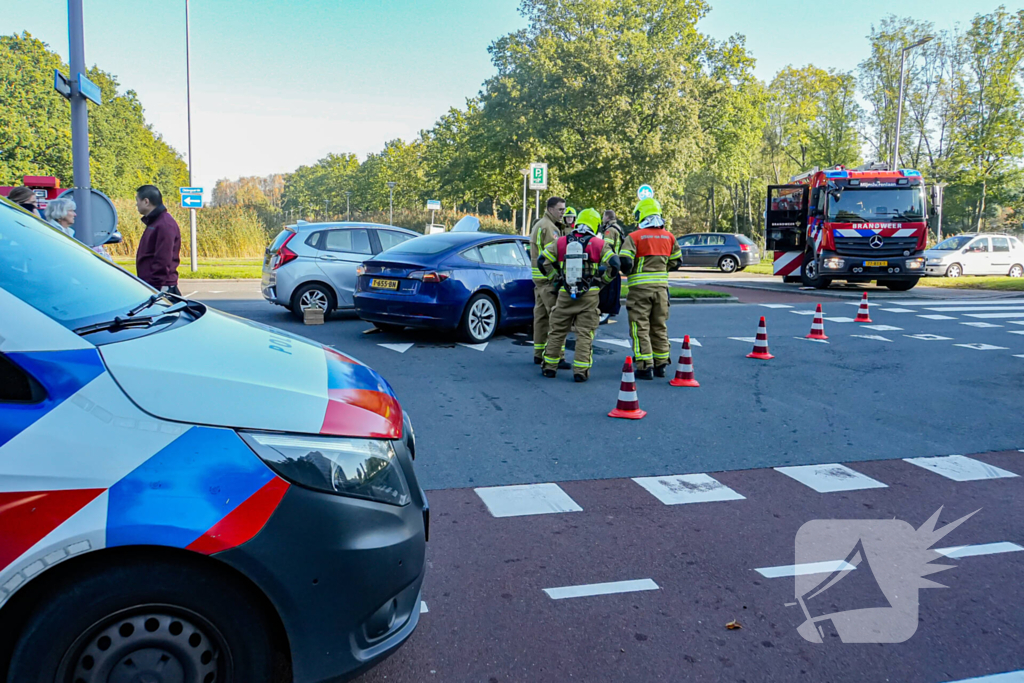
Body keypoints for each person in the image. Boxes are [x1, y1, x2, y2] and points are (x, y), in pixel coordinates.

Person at [537, 208, 619, 382]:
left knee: (557, 331)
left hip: (565, 294)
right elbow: (615, 263)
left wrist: (556, 279)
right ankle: (580, 372)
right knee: (584, 333)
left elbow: (541, 261)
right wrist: (603, 280)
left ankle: (549, 368)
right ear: (595, 224)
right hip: (589, 295)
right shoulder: (598, 243)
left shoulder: (561, 242)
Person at [619, 198, 682, 380]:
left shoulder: (634, 237)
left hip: (640, 291)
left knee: (640, 328)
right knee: (659, 326)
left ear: (641, 214)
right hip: (661, 290)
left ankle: (644, 366)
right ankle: (661, 364)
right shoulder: (669, 236)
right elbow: (677, 262)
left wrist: (632, 271)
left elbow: (625, 261)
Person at [529, 196, 568, 366]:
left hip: (539, 279)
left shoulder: (539, 224)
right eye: (560, 209)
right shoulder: (550, 228)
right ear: (550, 209)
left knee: (541, 317)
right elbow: (553, 255)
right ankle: (557, 356)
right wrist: (557, 276)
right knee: (557, 317)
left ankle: (539, 353)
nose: (563, 213)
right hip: (547, 279)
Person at [135, 184, 182, 294]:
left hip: (160, 287)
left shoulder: (164, 224)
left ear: (146, 202)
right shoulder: (156, 222)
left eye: (137, 200)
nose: (136, 204)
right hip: (154, 285)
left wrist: (154, 288)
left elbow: (163, 259)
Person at [45, 197, 112, 259]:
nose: (75, 214)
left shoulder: (67, 231)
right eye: (71, 211)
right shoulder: (53, 233)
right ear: (59, 213)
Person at [598, 209, 625, 324]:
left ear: (607, 218)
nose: (602, 219)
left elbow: (606, 248)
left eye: (603, 217)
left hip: (609, 263)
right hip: (617, 262)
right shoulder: (618, 228)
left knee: (605, 289)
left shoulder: (609, 231)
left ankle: (605, 309)